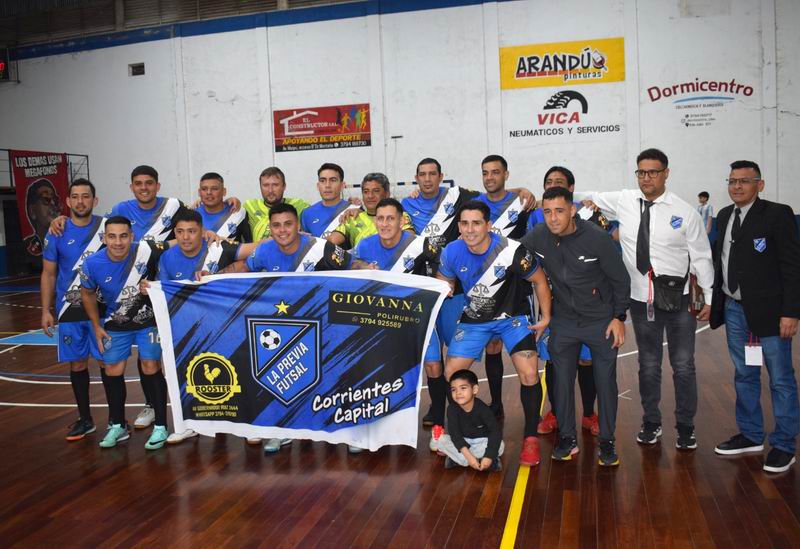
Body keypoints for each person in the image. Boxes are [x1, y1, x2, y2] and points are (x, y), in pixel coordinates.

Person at [50, 165, 230, 431]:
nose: (143, 188)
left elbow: (193, 218)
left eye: (149, 183)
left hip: (155, 293)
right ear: (131, 186)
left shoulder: (173, 207)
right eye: (138, 183)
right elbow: (94, 225)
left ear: (157, 185)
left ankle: (168, 417)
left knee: (152, 360)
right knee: (108, 361)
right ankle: (114, 419)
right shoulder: (118, 212)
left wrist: (210, 227)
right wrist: (60, 218)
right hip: (114, 299)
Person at [575, 148, 714, 450]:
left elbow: (702, 256)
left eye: (653, 172)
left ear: (666, 173)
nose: (646, 177)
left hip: (680, 300)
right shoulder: (624, 200)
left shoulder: (685, 212)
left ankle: (686, 426)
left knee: (684, 366)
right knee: (648, 365)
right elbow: (585, 194)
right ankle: (651, 422)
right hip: (640, 300)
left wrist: (710, 298)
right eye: (641, 172)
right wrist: (573, 197)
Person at [218, 202, 371, 454]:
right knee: (280, 381)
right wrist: (211, 277)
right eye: (276, 225)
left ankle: (346, 431)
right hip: (284, 330)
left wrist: (371, 271)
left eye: (288, 224)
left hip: (322, 326)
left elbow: (352, 264)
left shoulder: (321, 248)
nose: (282, 230)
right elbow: (242, 267)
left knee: (335, 377)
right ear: (270, 228)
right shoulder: (265, 251)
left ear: (297, 226)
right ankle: (281, 432)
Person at [521, 187, 631, 466]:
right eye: (547, 212)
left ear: (572, 210)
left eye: (559, 211)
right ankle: (567, 438)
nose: (553, 218)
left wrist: (619, 317)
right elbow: (511, 252)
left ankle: (607, 441)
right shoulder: (539, 237)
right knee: (561, 382)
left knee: (605, 382)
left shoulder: (596, 239)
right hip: (564, 322)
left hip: (600, 322)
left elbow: (620, 280)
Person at [437, 201, 551, 466]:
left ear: (488, 225)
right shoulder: (451, 251)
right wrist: (446, 285)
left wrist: (546, 317)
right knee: (451, 372)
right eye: (464, 223)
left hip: (513, 319)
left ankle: (530, 437)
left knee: (530, 372)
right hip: (475, 319)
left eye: (476, 223)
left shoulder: (511, 251)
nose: (469, 229)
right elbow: (447, 279)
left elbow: (540, 280)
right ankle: (458, 433)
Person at [710, 160, 800, 473]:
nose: (737, 186)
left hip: (772, 314)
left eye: (744, 181)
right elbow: (721, 261)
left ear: (759, 185)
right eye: (732, 180)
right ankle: (751, 434)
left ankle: (785, 444)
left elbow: (791, 266)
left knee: (780, 379)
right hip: (736, 310)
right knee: (744, 373)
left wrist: (791, 311)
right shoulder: (723, 215)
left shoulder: (778, 214)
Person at [142, 209, 261, 444]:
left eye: (192, 231)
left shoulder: (217, 249)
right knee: (188, 376)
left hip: (224, 324)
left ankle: (251, 426)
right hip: (187, 326)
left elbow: (256, 251)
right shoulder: (167, 258)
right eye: (180, 232)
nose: (186, 237)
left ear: (202, 232)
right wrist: (150, 288)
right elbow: (165, 288)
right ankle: (189, 424)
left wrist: (222, 273)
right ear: (174, 233)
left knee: (240, 373)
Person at [528, 166, 615, 436]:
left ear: (572, 189)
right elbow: (521, 251)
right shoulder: (536, 219)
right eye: (549, 182)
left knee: (587, 362)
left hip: (588, 308)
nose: (554, 185)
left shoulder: (589, 215)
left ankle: (589, 413)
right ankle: (556, 412)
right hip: (552, 304)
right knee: (555, 361)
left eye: (560, 182)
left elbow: (610, 243)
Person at [353, 198, 446, 447]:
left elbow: (443, 265)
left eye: (390, 218)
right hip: (380, 320)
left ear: (401, 220)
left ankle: (439, 417)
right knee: (380, 368)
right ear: (375, 221)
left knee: (434, 365)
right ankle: (382, 420)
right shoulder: (364, 245)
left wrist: (442, 284)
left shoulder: (420, 244)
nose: (384, 224)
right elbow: (350, 268)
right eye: (380, 218)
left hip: (417, 315)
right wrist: (361, 266)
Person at [79, 216, 171, 450]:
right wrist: (96, 326)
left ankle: (161, 426)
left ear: (132, 236)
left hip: (148, 321)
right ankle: (117, 425)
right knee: (113, 370)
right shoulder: (92, 263)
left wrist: (210, 236)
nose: (118, 242)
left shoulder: (146, 250)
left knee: (151, 366)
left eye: (123, 236)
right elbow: (87, 293)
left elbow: (178, 243)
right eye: (112, 236)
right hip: (114, 324)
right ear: (104, 238)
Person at [41, 179, 106, 441]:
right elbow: (48, 274)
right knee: (78, 363)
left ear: (95, 200)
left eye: (86, 196)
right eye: (75, 197)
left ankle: (116, 421)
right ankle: (86, 419)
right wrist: (46, 310)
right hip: (69, 308)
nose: (81, 201)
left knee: (107, 362)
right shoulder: (56, 232)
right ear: (68, 202)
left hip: (102, 308)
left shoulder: (106, 228)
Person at [474, 155, 533, 420]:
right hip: (487, 285)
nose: (489, 178)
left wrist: (523, 191)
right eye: (485, 173)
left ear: (506, 175)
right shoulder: (473, 203)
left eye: (495, 172)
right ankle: (496, 403)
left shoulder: (521, 203)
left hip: (518, 286)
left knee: (526, 352)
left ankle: (535, 412)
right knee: (493, 346)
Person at [432, 369, 503, 471]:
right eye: (453, 390)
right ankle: (475, 460)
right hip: (462, 443)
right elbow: (455, 436)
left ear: (474, 390)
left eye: (463, 388)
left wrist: (489, 455)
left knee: (500, 445)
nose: (458, 393)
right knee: (439, 440)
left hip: (481, 442)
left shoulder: (483, 409)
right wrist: (469, 457)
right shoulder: (452, 409)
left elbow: (495, 432)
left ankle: (458, 459)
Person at [327, 172, 414, 249]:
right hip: (361, 266)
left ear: (387, 193)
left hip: (391, 265)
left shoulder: (400, 216)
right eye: (366, 191)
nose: (370, 196)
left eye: (376, 191)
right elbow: (330, 243)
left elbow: (409, 241)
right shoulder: (352, 218)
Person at [244, 167, 309, 241]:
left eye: (275, 185)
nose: (270, 190)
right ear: (260, 187)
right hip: (259, 251)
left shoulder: (299, 205)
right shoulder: (250, 206)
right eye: (266, 185)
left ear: (284, 186)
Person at [300, 163, 359, 238]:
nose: (327, 185)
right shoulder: (307, 214)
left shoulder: (353, 209)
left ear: (342, 185)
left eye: (333, 180)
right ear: (318, 186)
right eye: (323, 180)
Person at [196, 172, 251, 242]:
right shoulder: (191, 214)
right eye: (204, 189)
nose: (209, 192)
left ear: (224, 191)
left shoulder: (237, 213)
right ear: (199, 192)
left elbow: (249, 244)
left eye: (214, 189)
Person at [24, 178, 61, 256]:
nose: (53, 203)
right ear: (32, 211)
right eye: (45, 198)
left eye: (54, 199)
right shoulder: (26, 246)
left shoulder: (69, 239)